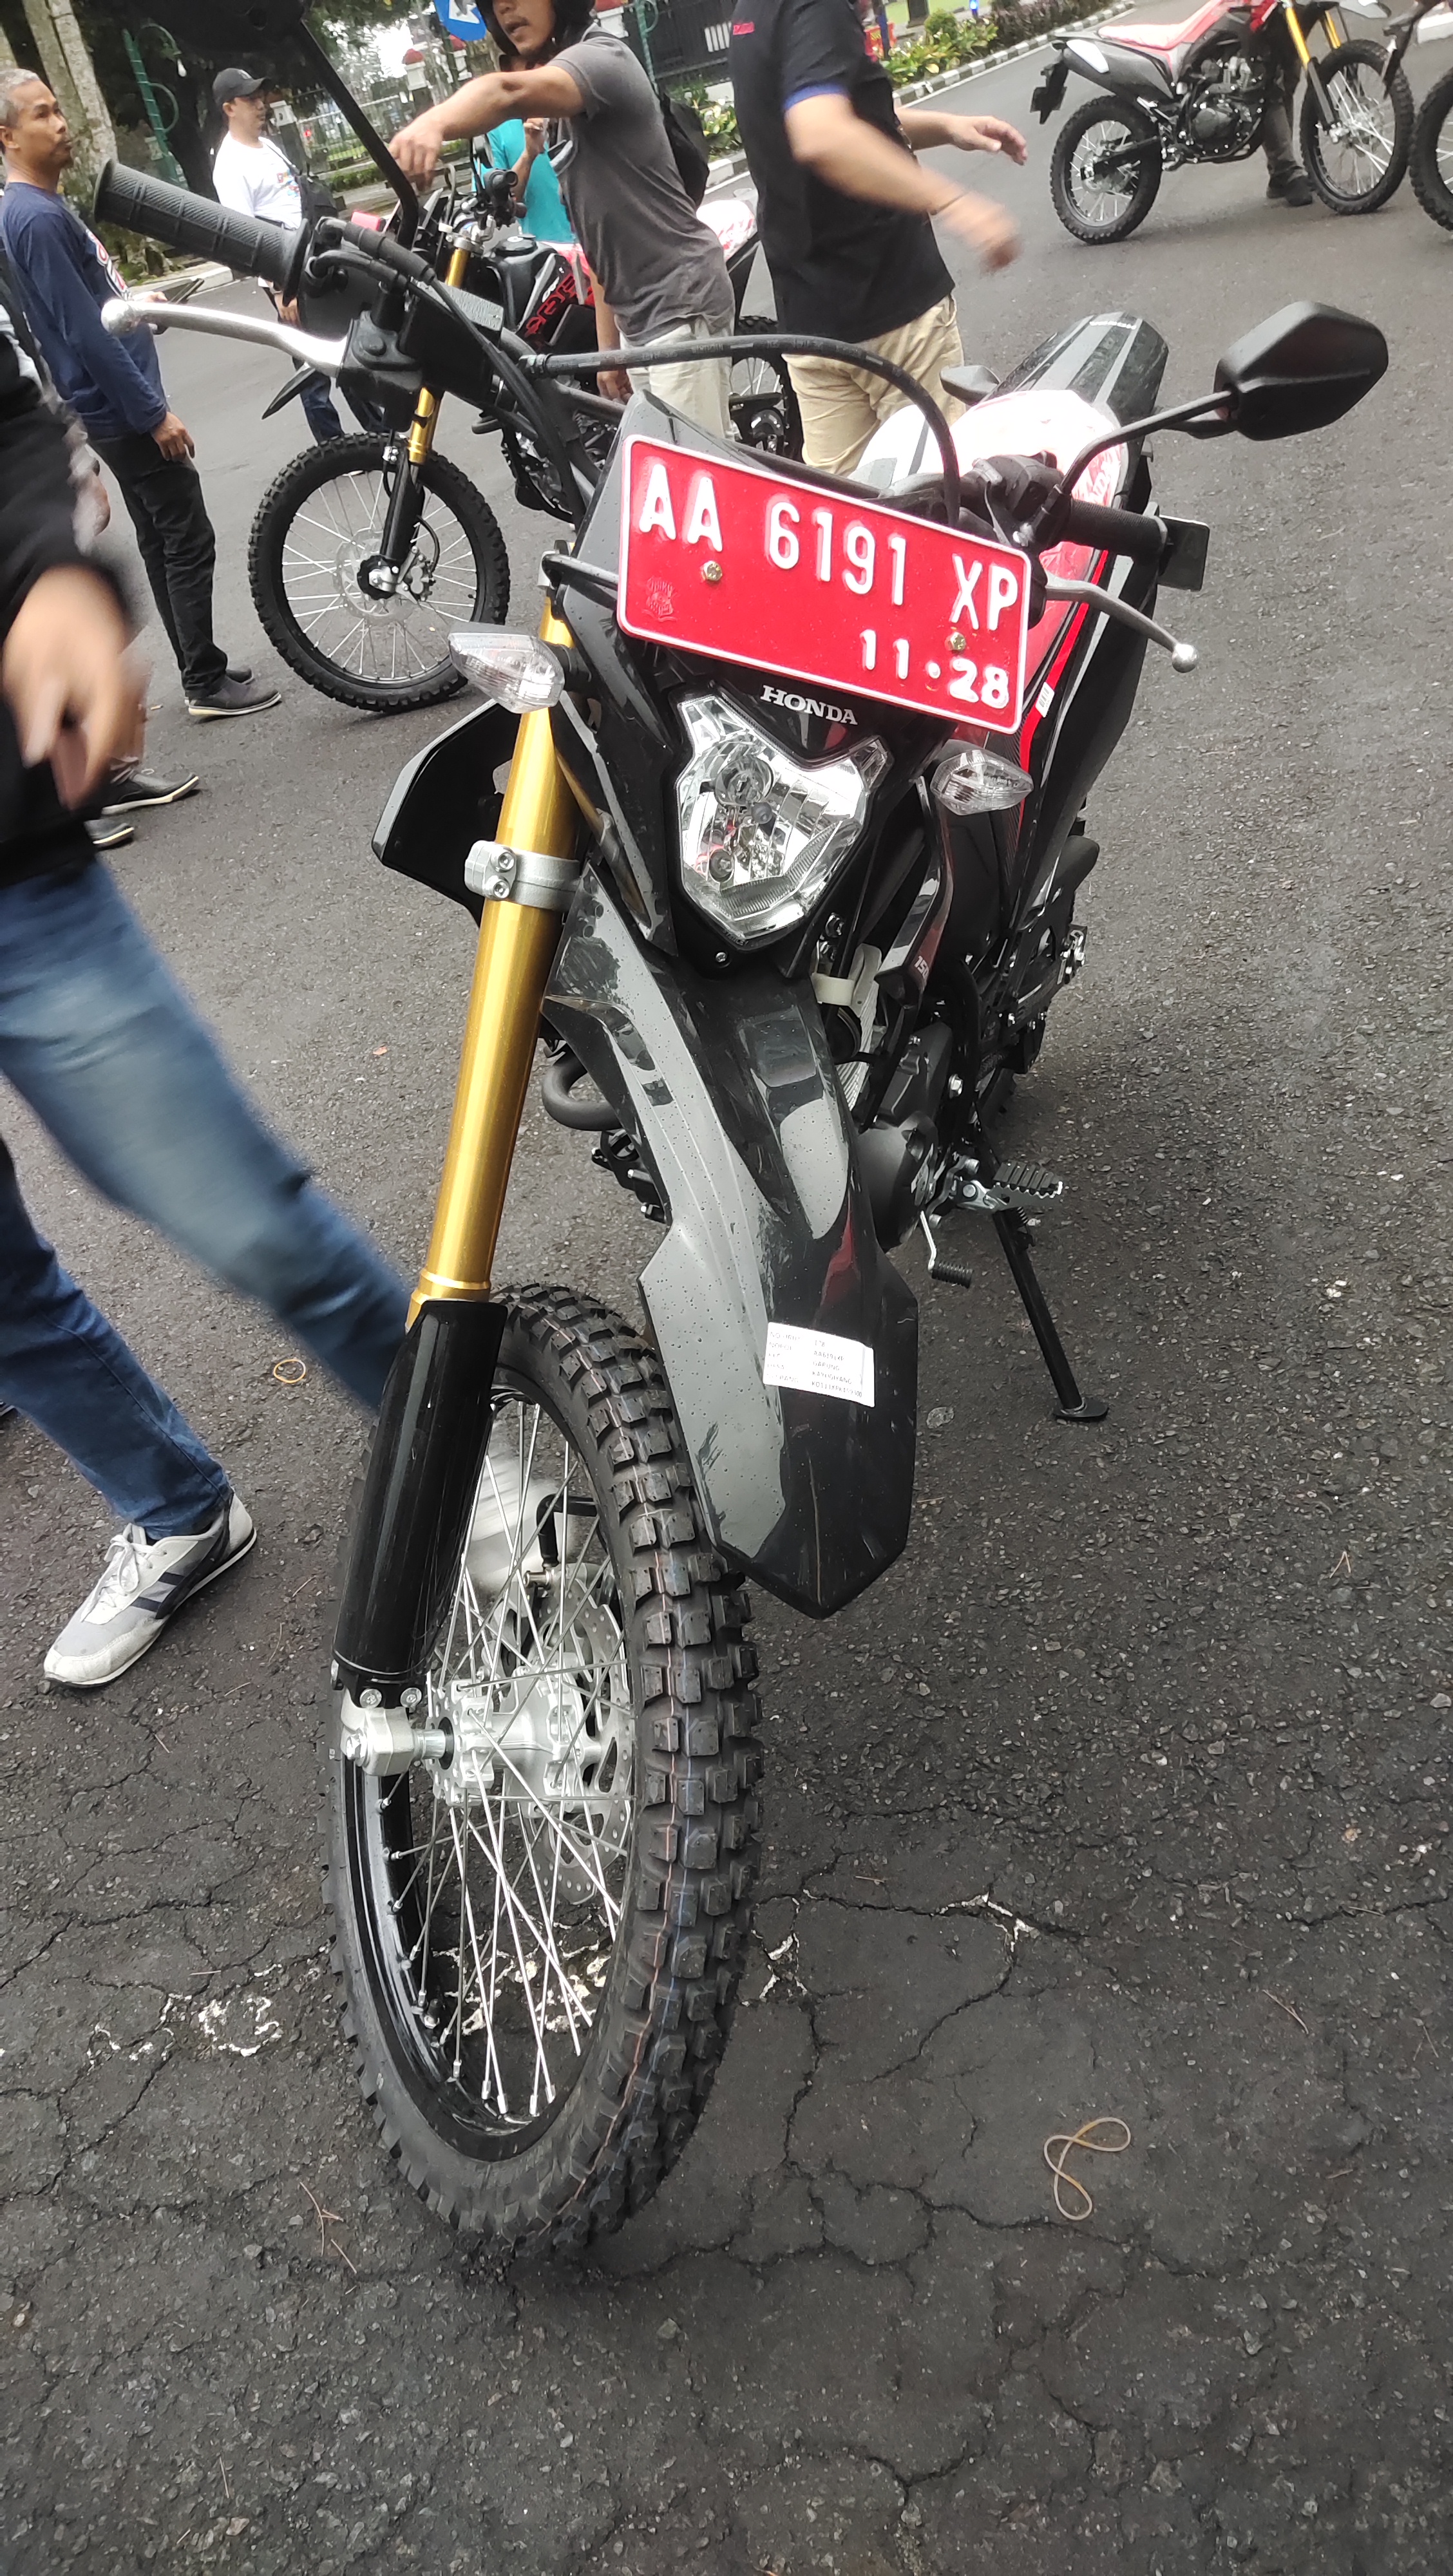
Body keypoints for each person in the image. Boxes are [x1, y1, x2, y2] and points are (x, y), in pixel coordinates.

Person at [0, 283, 408, 1687]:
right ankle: (176, 1509)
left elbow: (12, 434)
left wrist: (56, 580)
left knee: (251, 1221)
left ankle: (475, 1461)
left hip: (14, 884)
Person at [0, 70, 278, 720]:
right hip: (121, 410)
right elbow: (83, 332)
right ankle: (204, 678)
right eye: (41, 115)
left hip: (111, 407)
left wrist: (135, 305)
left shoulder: (36, 208)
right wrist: (153, 415)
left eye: (58, 109)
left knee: (161, 537)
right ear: (6, 136)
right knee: (187, 536)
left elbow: (92, 306)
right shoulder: (33, 217)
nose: (60, 124)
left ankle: (197, 666)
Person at [392, 0, 736, 433]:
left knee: (692, 465)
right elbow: (598, 237)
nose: (506, 7)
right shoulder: (562, 120)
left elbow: (506, 92)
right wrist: (610, 350)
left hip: (680, 304)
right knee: (665, 458)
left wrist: (432, 124)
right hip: (639, 318)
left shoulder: (602, 58)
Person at [729, 0, 1025, 476]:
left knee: (843, 506)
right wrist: (956, 202)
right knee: (938, 492)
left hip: (809, 323)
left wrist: (948, 128)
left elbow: (839, 114)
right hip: (892, 310)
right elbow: (822, 132)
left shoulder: (757, 9)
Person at [211, 66, 387, 440]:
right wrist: (280, 290)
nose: (261, 105)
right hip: (286, 271)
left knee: (345, 343)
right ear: (229, 108)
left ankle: (379, 434)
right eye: (250, 99)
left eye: (260, 97)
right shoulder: (230, 166)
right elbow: (245, 236)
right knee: (313, 363)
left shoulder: (268, 145)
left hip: (316, 255)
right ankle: (333, 445)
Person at [483, 113, 573, 243]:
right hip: (546, 246)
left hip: (597, 240)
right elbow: (498, 201)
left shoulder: (578, 108)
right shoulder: (495, 128)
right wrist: (528, 155)